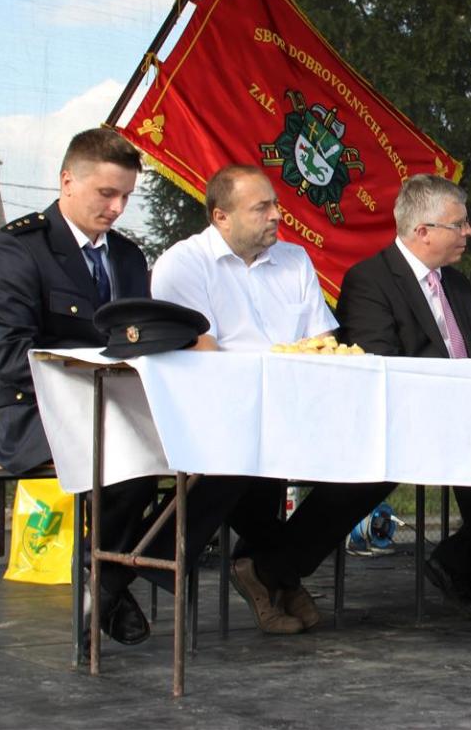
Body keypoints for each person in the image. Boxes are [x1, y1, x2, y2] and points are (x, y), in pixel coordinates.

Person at [152, 164, 397, 634]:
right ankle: (275, 573)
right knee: (243, 463)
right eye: (261, 207)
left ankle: (270, 567)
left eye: (276, 205)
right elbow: (203, 357)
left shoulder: (294, 259)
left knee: (380, 460)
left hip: (301, 410)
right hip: (223, 416)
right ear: (221, 217)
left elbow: (322, 342)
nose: (276, 215)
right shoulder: (183, 264)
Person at [335, 174, 471, 623]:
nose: (469, 231)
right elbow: (381, 363)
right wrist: (460, 395)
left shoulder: (457, 284)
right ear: (423, 231)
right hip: (413, 418)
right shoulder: (369, 280)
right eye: (459, 224)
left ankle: (455, 560)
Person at [0, 127, 160, 645]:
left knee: (200, 457)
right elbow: (11, 359)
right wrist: (99, 375)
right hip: (40, 415)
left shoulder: (127, 257)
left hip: (120, 411)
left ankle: (104, 581)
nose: (117, 208)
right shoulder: (16, 250)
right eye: (107, 193)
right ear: (67, 182)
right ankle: (110, 579)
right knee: (135, 462)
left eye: (126, 196)